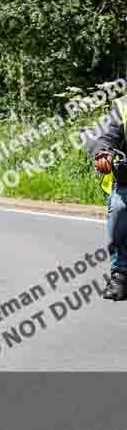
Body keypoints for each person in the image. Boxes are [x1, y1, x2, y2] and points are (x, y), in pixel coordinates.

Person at [91, 95, 127, 300]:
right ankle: (120, 273)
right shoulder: (123, 106)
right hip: (126, 179)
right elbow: (105, 136)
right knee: (119, 205)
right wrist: (102, 152)